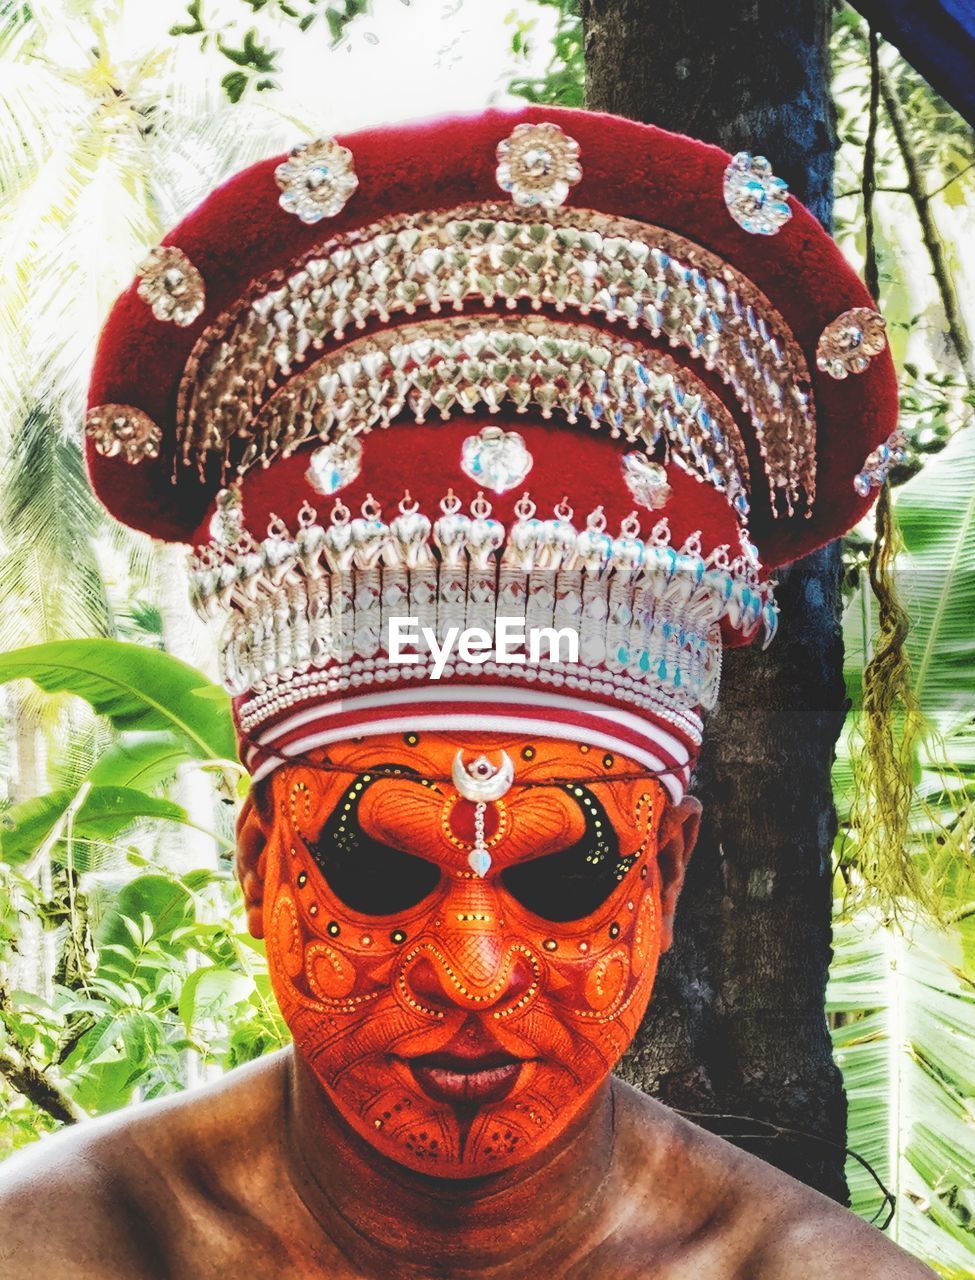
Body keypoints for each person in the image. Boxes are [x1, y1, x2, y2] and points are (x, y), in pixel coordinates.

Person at [0, 107, 930, 1277]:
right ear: (257, 861)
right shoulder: (53, 1248)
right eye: (380, 866)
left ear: (670, 871)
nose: (473, 969)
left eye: (566, 875)